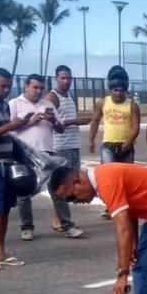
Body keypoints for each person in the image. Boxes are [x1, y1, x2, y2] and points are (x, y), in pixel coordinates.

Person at [50, 163, 147, 294]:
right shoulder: (101, 180)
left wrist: (122, 274)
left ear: (78, 181)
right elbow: (128, 212)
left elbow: (123, 229)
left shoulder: (106, 182)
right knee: (138, 262)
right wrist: (133, 243)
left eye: (71, 196)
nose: (75, 201)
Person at [9, 73, 83, 241]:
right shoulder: (15, 104)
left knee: (58, 189)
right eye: (35, 87)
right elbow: (9, 129)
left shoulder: (47, 104)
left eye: (41, 88)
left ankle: (67, 225)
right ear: (26, 87)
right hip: (24, 154)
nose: (38, 91)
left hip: (47, 153)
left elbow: (60, 129)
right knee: (24, 192)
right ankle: (27, 227)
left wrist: (53, 121)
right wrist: (31, 122)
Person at [0, 68, 29, 271]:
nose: (6, 90)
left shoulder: (3, 104)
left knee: (4, 210)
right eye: (2, 86)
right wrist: (10, 126)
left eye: (9, 86)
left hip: (5, 163)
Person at [45, 65, 91, 237]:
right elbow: (51, 122)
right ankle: (65, 223)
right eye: (63, 78)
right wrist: (75, 121)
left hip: (73, 145)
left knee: (71, 184)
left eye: (69, 78)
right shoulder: (52, 96)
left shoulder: (69, 95)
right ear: (56, 78)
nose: (66, 81)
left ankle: (57, 219)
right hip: (60, 147)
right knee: (62, 185)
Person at [89, 66, 140, 218]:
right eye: (115, 90)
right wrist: (91, 140)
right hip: (108, 146)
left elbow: (136, 126)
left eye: (121, 90)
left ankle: (124, 206)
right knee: (109, 178)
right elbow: (95, 121)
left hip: (126, 147)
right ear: (110, 90)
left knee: (125, 179)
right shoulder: (103, 103)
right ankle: (110, 206)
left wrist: (130, 140)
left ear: (126, 90)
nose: (118, 93)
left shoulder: (132, 105)